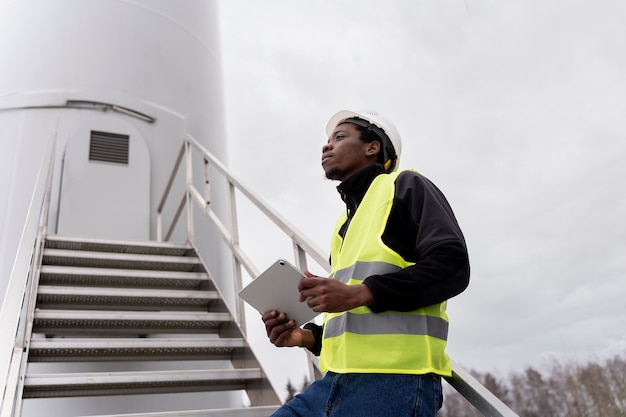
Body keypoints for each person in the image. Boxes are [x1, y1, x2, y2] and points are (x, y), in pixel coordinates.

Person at [262, 110, 470, 417]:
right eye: (326, 141)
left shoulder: (406, 186)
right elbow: (355, 320)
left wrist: (358, 293)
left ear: (372, 147)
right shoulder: (343, 225)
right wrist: (305, 337)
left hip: (395, 383)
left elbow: (453, 265)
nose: (326, 146)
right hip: (332, 381)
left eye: (340, 137)